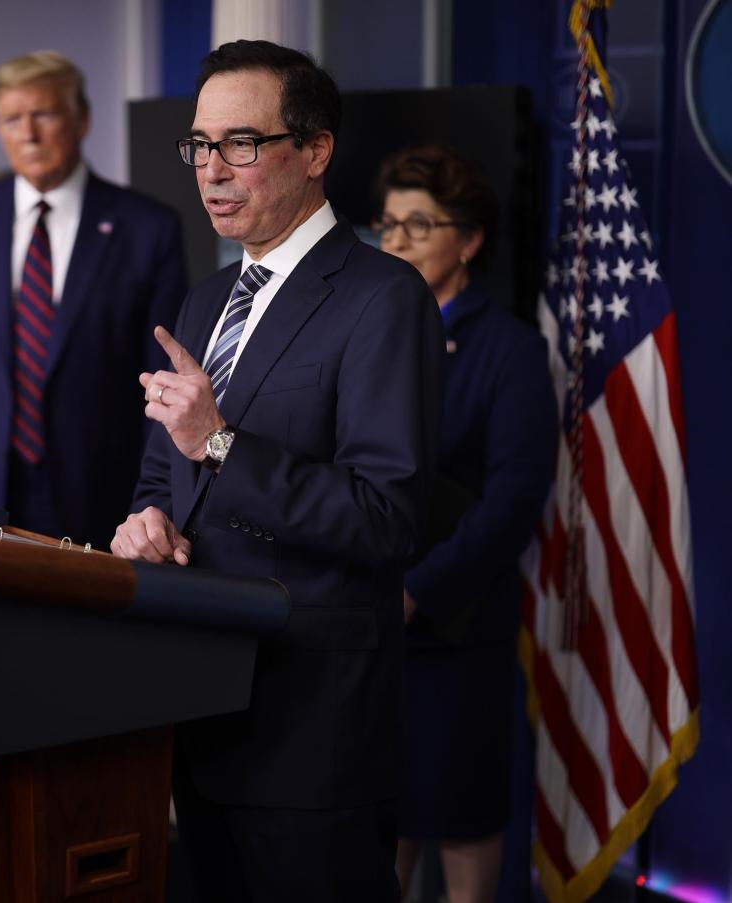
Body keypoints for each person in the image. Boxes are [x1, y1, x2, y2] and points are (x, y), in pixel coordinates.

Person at [110, 40, 444, 901]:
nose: (212, 170)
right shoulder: (205, 299)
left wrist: (222, 442)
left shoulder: (382, 295)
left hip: (312, 732)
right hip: (201, 707)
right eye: (199, 145)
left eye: (241, 145)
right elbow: (167, 474)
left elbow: (387, 518)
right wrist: (145, 525)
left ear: (316, 150)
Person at [0, 50, 187, 547]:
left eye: (44, 115)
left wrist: (151, 506)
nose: (27, 133)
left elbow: (162, 380)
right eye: (11, 119)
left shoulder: (147, 228)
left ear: (81, 119)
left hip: (98, 497)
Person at [374, 144, 557, 903]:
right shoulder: (367, 330)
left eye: (421, 224)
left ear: (470, 240)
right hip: (366, 625)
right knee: (378, 827)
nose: (398, 241)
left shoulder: (508, 348)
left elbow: (515, 497)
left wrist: (421, 590)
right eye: (387, 225)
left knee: (459, 819)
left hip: (456, 628)